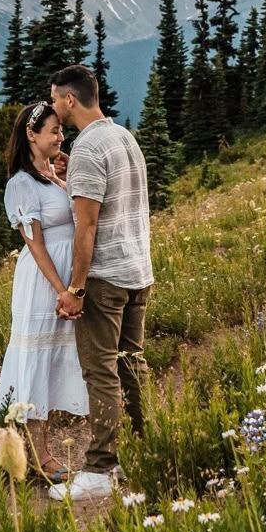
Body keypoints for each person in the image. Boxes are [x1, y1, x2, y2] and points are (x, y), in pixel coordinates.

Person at [48, 64, 153, 501]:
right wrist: (73, 175)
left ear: (70, 100)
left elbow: (85, 227)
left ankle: (101, 468)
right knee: (132, 362)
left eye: (55, 99)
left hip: (106, 277)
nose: (53, 107)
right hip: (138, 270)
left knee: (101, 371)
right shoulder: (120, 136)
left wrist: (75, 290)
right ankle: (149, 447)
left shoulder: (89, 148)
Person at [0, 102, 88, 481]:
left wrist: (62, 174)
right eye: (53, 132)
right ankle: (39, 456)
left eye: (61, 131)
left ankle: (39, 449)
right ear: (31, 135)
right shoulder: (21, 184)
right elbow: (35, 244)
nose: (61, 137)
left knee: (54, 361)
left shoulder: (50, 176)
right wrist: (61, 288)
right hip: (44, 280)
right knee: (36, 361)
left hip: (65, 277)